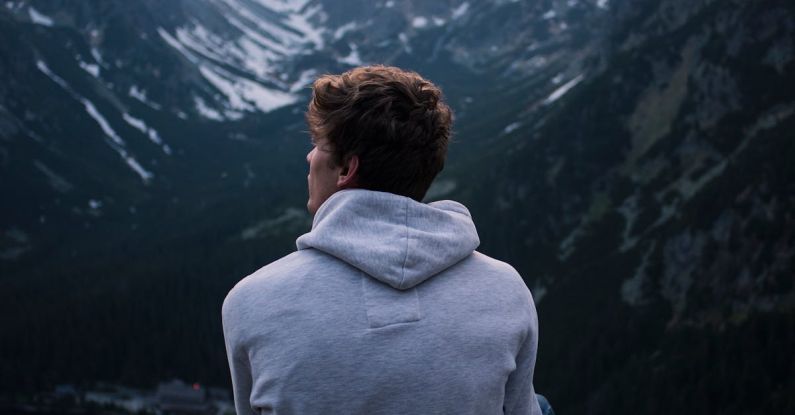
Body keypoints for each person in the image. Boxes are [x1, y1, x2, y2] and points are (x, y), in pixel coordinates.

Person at [222, 65, 546, 414]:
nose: (309, 156)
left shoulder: (251, 300)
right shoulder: (506, 287)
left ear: (347, 169)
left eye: (318, 144)